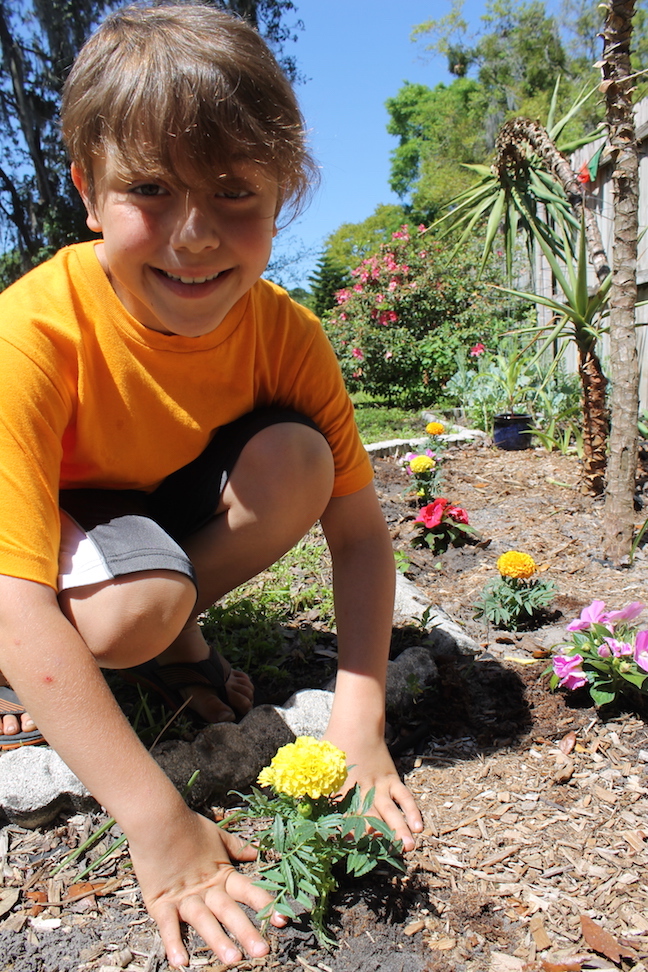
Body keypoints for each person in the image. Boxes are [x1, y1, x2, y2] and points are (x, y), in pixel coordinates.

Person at [0, 3, 423, 966]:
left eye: (234, 190)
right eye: (150, 187)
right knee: (126, 618)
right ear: (87, 192)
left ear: (281, 198)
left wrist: (360, 716)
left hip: (155, 510)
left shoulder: (286, 334)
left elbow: (358, 534)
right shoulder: (29, 335)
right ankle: (122, 647)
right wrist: (161, 824)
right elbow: (13, 596)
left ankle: (162, 630)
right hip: (49, 531)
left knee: (300, 460)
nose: (194, 235)